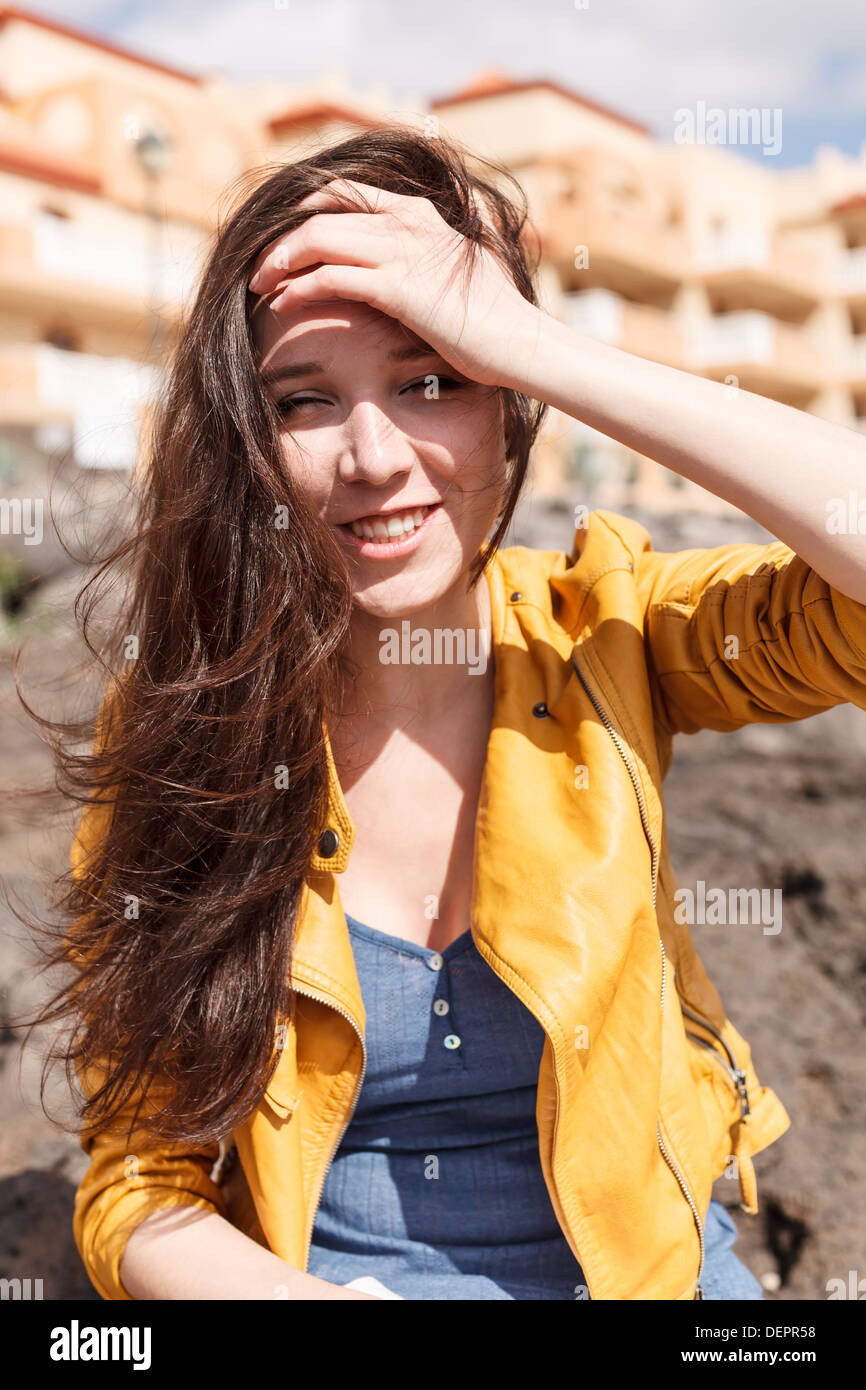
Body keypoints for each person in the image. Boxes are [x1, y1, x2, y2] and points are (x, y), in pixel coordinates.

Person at [49, 126, 866, 1300]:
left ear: (507, 409)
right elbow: (138, 1181)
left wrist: (534, 342)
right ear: (250, 447)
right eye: (303, 401)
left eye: (432, 379)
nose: (374, 455)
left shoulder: (607, 631)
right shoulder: (184, 733)